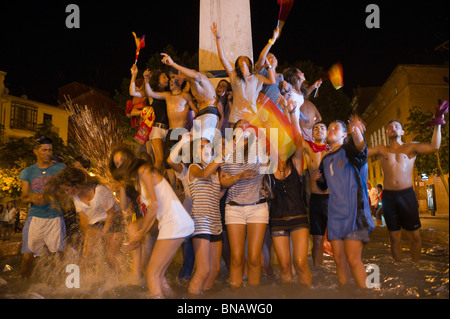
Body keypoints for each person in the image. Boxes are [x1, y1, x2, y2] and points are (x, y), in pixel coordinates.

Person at [109, 146, 194, 298]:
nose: (121, 164)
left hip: (174, 222)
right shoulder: (140, 178)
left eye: (122, 160)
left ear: (130, 157)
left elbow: (154, 206)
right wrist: (141, 233)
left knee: (151, 275)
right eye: (117, 163)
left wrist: (140, 234)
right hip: (172, 223)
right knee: (160, 277)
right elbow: (153, 211)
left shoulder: (144, 170)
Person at [368, 110, 443, 261]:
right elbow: (360, 151)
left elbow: (434, 146)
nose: (392, 128)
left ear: (402, 131)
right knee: (394, 237)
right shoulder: (382, 150)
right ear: (387, 133)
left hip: (406, 195)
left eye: (396, 126)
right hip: (389, 197)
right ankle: (400, 269)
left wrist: (437, 125)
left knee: (414, 236)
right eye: (389, 127)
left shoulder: (411, 147)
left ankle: (415, 266)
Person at [313, 117, 374, 288]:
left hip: (355, 214)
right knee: (339, 260)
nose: (331, 130)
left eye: (336, 128)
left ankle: (365, 294)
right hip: (335, 216)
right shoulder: (325, 160)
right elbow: (323, 184)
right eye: (329, 128)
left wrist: (356, 131)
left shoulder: (350, 150)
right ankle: (346, 293)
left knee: (354, 260)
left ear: (344, 134)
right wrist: (317, 178)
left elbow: (362, 149)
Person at [219, 119, 271, 289]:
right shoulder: (227, 153)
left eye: (247, 126)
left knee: (255, 258)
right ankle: (236, 296)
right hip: (234, 208)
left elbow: (270, 167)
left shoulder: (259, 149)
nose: (244, 128)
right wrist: (239, 177)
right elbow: (222, 182)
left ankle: (253, 298)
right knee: (236, 258)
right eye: (240, 126)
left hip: (258, 207)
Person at [55, 166, 125, 271]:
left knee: (110, 257)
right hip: (96, 223)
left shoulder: (100, 190)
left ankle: (121, 282)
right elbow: (83, 220)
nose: (66, 193)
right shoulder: (76, 197)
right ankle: (85, 284)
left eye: (67, 189)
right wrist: (85, 238)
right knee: (86, 258)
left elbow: (111, 214)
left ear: (76, 186)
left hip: (114, 221)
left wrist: (103, 235)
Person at [267, 130, 312, 285]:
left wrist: (291, 111)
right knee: (284, 267)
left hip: (298, 218)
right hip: (277, 220)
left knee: (300, 263)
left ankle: (307, 294)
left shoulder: (297, 162)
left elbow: (298, 138)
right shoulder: (268, 167)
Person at [19, 136, 66, 278]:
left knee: (59, 255)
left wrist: (51, 196)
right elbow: (23, 198)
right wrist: (32, 198)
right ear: (35, 151)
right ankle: (23, 285)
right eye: (44, 150)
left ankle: (63, 286)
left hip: (55, 218)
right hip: (35, 218)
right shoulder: (28, 172)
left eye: (50, 150)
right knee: (28, 256)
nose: (48, 153)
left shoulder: (60, 169)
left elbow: (67, 190)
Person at [211, 22, 276, 126]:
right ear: (237, 65)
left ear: (249, 64)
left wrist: (269, 67)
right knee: (234, 141)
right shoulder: (234, 76)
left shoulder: (256, 78)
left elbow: (272, 81)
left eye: (245, 58)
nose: (242, 59)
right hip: (236, 117)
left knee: (251, 141)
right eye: (240, 59)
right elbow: (222, 59)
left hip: (251, 116)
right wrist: (218, 39)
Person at [187, 137, 226, 295]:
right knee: (203, 270)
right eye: (201, 146)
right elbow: (204, 174)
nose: (205, 149)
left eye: (207, 146)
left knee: (215, 269)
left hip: (216, 221)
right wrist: (222, 156)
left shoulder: (216, 171)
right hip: (201, 220)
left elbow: (216, 195)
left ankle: (202, 294)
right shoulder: (194, 167)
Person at [161, 53, 220, 144]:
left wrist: (173, 64)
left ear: (179, 72)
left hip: (209, 114)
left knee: (202, 147)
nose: (173, 80)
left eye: (173, 76)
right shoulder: (190, 83)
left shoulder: (197, 75)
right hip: (200, 116)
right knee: (190, 147)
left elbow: (196, 76)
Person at [130, 65, 170, 172]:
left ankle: (160, 183)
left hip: (168, 130)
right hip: (156, 129)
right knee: (159, 159)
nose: (167, 79)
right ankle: (153, 182)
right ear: (157, 81)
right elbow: (132, 92)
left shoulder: (169, 94)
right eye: (164, 77)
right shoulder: (150, 94)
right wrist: (134, 75)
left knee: (166, 161)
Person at [282, 67, 322, 142]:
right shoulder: (289, 87)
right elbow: (284, 94)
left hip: (296, 121)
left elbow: (302, 96)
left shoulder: (298, 90)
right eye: (300, 73)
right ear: (294, 76)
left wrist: (314, 86)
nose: (303, 73)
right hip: (289, 119)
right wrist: (286, 90)